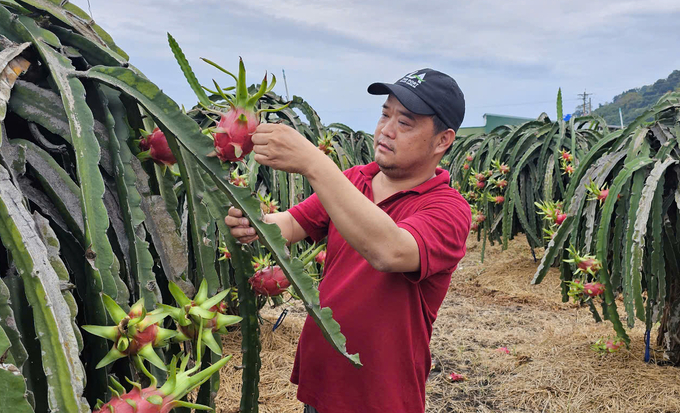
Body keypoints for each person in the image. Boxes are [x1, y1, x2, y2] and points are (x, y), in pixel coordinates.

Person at [225, 68, 471, 413]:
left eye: (405, 122)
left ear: (443, 140)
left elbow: (391, 251)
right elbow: (293, 223)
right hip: (323, 377)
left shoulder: (448, 209)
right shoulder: (354, 179)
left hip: (381, 395)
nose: (386, 130)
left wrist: (313, 162)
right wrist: (256, 223)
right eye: (385, 115)